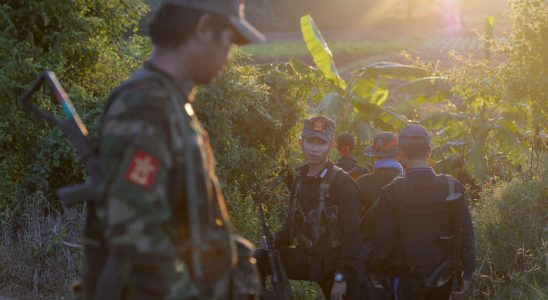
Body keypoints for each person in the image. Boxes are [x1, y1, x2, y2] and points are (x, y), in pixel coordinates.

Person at [82, 1, 266, 299]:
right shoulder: (146, 106)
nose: (228, 56)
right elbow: (135, 230)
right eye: (228, 40)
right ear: (203, 28)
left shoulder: (171, 104)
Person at [254, 116, 362, 299]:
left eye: (321, 142)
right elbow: (290, 227)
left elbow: (353, 235)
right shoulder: (299, 178)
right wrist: (273, 240)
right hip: (307, 258)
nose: (314, 148)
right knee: (257, 259)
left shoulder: (343, 182)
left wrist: (341, 276)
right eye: (310, 141)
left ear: (331, 146)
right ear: (301, 143)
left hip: (333, 264)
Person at [369, 125, 476, 300]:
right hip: (443, 279)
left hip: (407, 281)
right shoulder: (451, 186)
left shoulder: (391, 192)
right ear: (429, 152)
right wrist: (468, 273)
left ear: (401, 154)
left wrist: (375, 269)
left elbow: (384, 241)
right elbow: (466, 232)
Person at [356, 132, 403, 299]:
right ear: (398, 154)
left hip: (369, 253)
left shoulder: (362, 182)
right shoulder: (406, 181)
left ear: (374, 156)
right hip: (401, 253)